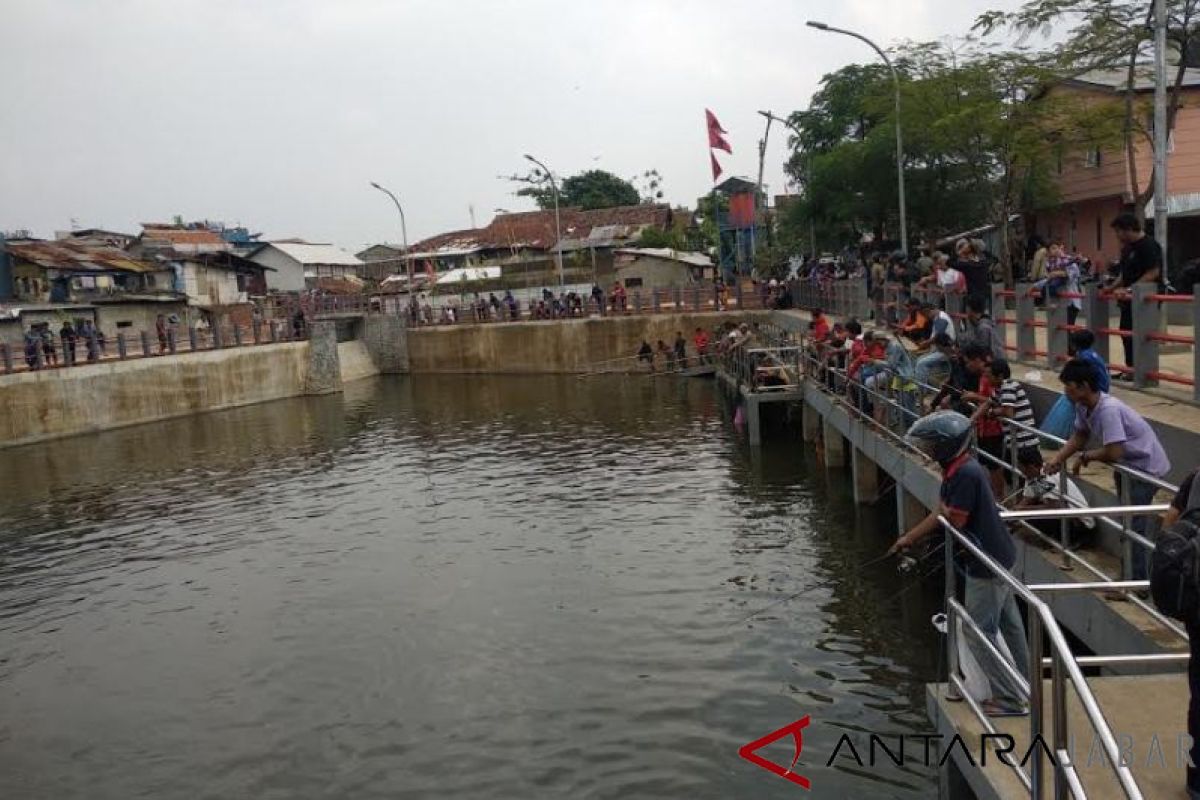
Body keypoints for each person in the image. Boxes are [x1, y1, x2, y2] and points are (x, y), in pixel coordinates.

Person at [890, 411, 1030, 717]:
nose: (925, 450)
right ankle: (1026, 684)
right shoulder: (960, 468)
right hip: (1001, 556)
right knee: (1011, 625)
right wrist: (909, 538)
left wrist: (928, 539)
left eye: (930, 445)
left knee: (977, 632)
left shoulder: (965, 474)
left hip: (985, 564)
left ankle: (1009, 699)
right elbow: (942, 510)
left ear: (945, 446)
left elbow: (955, 519)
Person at [1045, 359, 1171, 580]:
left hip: (1143, 468)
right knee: (1128, 523)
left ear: (1084, 386)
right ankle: (1131, 575)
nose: (1065, 391)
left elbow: (1114, 452)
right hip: (1128, 468)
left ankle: (1135, 581)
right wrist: (1059, 458)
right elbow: (1080, 435)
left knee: (1134, 527)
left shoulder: (1108, 410)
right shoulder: (1083, 407)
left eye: (1069, 386)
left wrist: (1086, 457)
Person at [1109, 212, 1163, 376]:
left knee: (1141, 335)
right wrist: (1111, 288)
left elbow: (1153, 272)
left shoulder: (1149, 245)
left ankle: (1143, 372)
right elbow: (1124, 274)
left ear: (1129, 229)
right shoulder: (1127, 249)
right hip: (1128, 299)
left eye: (1118, 231)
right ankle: (1131, 370)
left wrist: (1129, 289)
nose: (1117, 235)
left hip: (1145, 299)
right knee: (1126, 332)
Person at [1015, 447, 1095, 547]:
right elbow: (1027, 499)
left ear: (1031, 467)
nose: (1023, 473)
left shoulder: (1047, 477)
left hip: (1080, 525)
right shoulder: (1034, 475)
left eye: (1023, 469)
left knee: (1033, 515)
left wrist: (1025, 510)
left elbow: (1057, 507)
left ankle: (1071, 540)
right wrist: (1014, 513)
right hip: (1069, 517)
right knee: (1029, 511)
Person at [959, 294, 1005, 362]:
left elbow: (982, 351)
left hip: (992, 363)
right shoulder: (982, 322)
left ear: (969, 309)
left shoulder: (983, 327)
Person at [1067, 329, 1110, 393]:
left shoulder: (1084, 358)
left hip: (1097, 390)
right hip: (1102, 387)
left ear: (1074, 344)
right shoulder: (1091, 353)